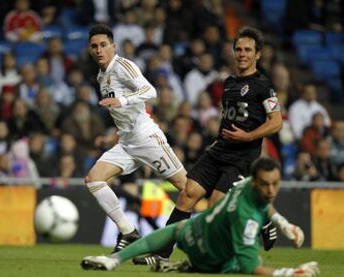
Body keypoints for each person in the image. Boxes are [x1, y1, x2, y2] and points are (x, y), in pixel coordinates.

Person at [134, 26, 284, 265]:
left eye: (248, 50)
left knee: (215, 205)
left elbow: (276, 122)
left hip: (242, 156)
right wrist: (219, 139)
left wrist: (249, 136)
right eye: (238, 49)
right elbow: (230, 118)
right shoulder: (228, 83)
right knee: (187, 195)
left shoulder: (263, 86)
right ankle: (161, 255)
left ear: (257, 55)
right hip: (219, 150)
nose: (242, 54)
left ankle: (257, 221)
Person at [81, 157, 319, 276]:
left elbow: (264, 203)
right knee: (240, 261)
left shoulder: (247, 185)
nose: (270, 190)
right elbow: (249, 266)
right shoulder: (246, 220)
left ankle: (114, 260)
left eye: (275, 184)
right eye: (266, 184)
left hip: (194, 232)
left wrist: (283, 223)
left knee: (174, 229)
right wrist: (290, 272)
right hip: (214, 259)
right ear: (256, 181)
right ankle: (192, 265)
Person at [85, 24, 187, 253]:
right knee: (94, 179)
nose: (99, 50)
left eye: (103, 45)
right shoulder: (102, 75)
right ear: (90, 50)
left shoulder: (122, 66)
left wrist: (123, 101)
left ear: (113, 46)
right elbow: (122, 117)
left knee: (188, 188)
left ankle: (234, 213)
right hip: (126, 142)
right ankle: (128, 231)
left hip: (146, 138)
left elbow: (151, 91)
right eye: (94, 46)